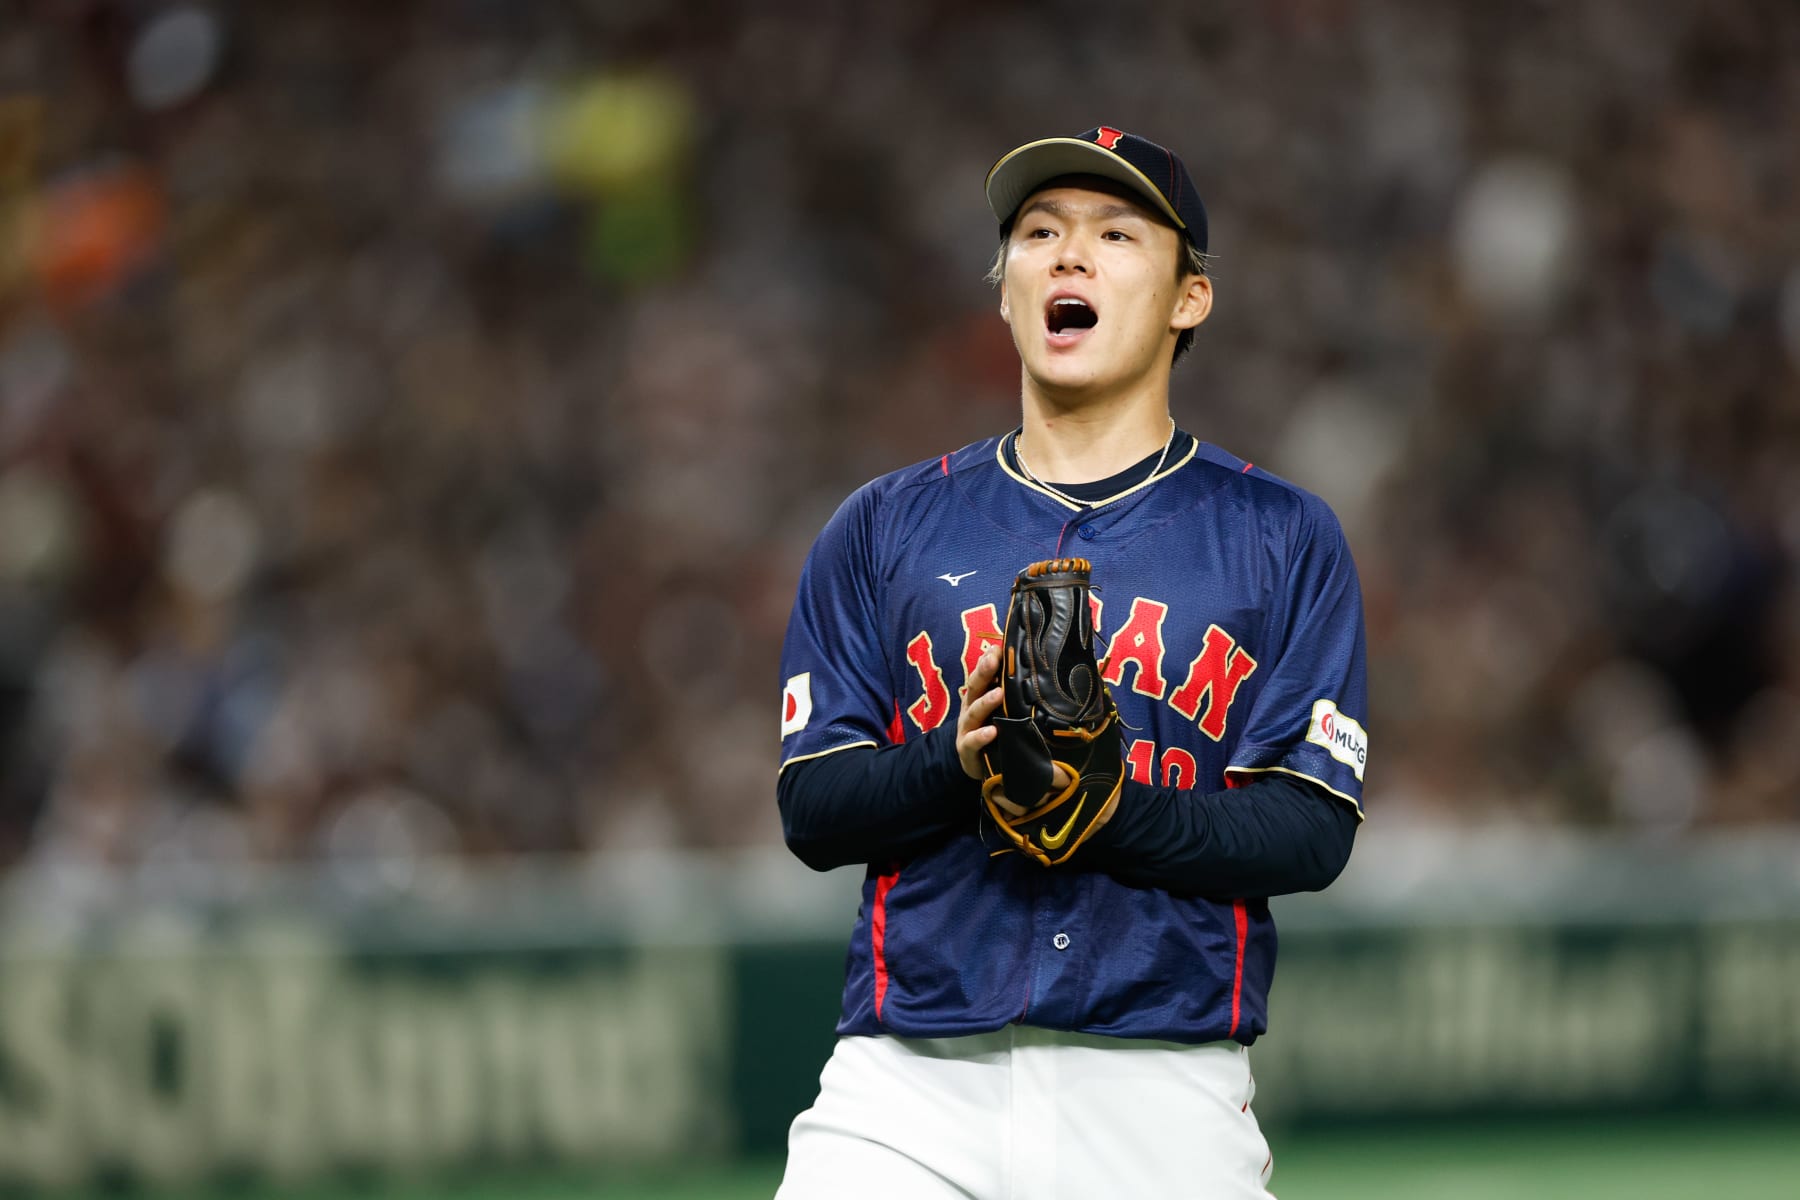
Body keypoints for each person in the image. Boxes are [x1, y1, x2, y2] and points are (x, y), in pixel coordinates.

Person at [773, 127, 1368, 1199]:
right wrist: (957, 765)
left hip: (1162, 1093)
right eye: (1039, 233)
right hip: (909, 1086)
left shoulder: (1281, 534)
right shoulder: (879, 527)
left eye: (1116, 233)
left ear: (1192, 298)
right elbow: (813, 809)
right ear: (1005, 294)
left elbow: (1311, 828)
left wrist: (1113, 808)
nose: (1069, 255)